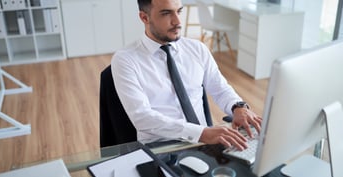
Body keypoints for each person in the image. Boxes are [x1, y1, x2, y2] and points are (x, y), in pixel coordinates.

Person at [111, 0, 262, 150]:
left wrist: (238, 106)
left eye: (179, 11)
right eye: (166, 13)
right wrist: (200, 133)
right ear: (144, 18)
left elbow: (220, 88)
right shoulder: (125, 59)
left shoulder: (197, 49)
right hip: (162, 147)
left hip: (206, 142)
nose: (177, 21)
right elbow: (142, 117)